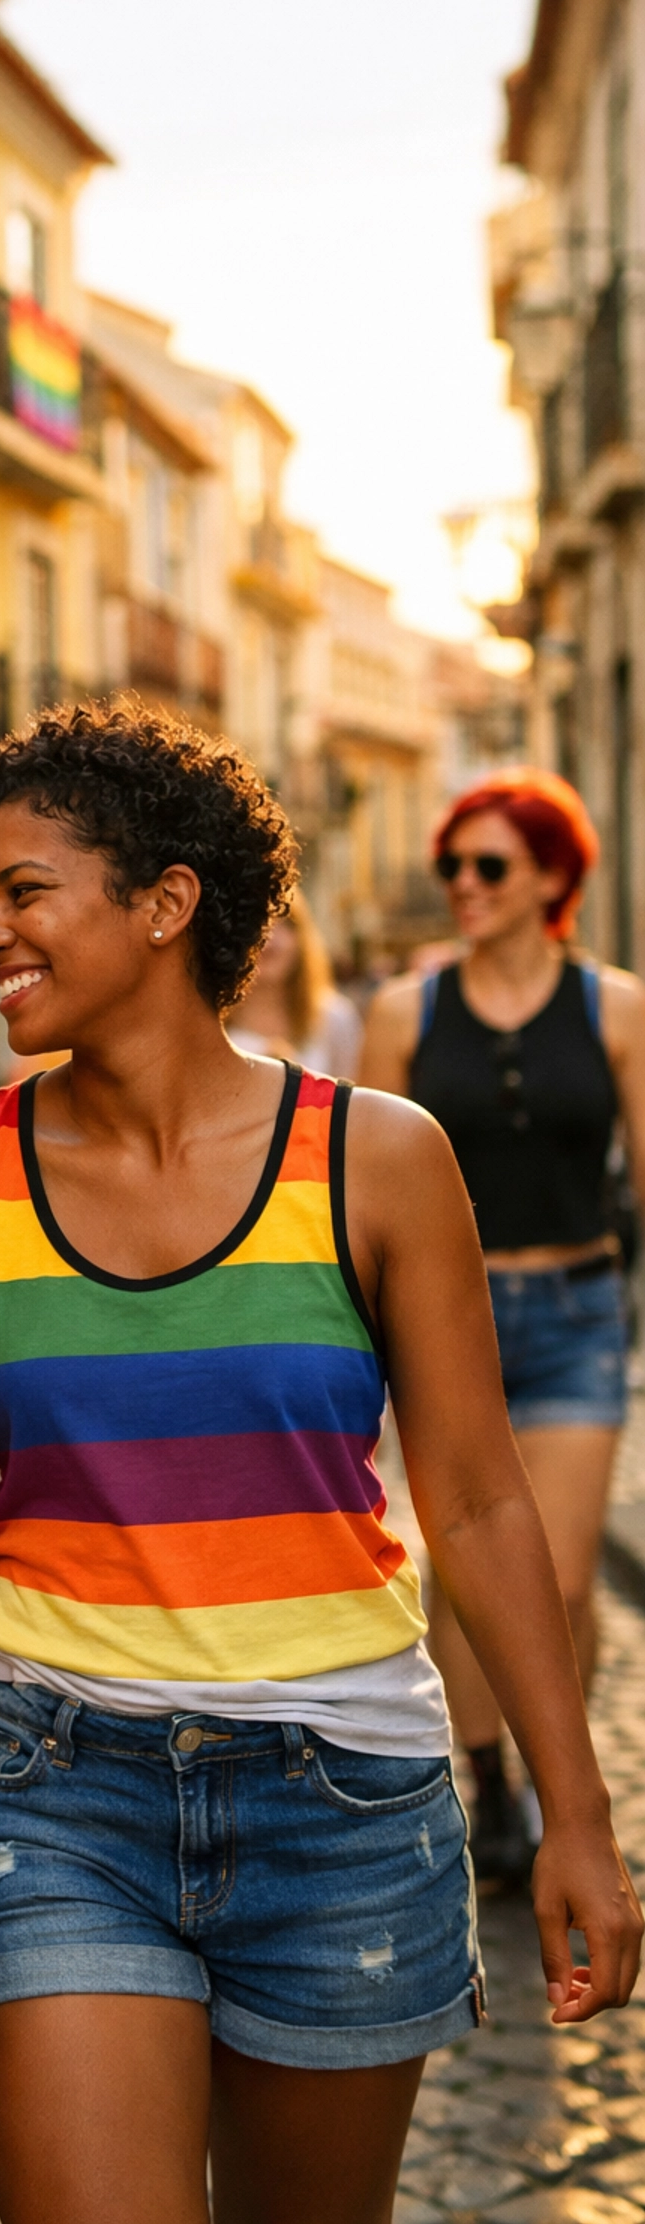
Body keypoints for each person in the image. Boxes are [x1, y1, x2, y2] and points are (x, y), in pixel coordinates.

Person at [0, 706, 640, 2224]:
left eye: (24, 889)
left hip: (345, 1797)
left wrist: (576, 1813)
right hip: (52, 1783)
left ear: (166, 901)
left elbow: (473, 1495)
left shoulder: (378, 1157)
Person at [361, 767, 645, 1888]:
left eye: (489, 867)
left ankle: (544, 1766)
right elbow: (364, 1187)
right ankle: (491, 1784)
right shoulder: (405, 1013)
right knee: (468, 1578)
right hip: (447, 1324)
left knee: (562, 1583)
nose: (463, 886)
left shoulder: (615, 1007)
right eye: (453, 867)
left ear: (552, 876)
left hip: (576, 1314)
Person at [224, 891, 361, 1076]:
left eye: (285, 923)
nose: (269, 939)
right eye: (253, 924)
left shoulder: (336, 1018)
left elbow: (350, 1095)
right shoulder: (208, 1018)